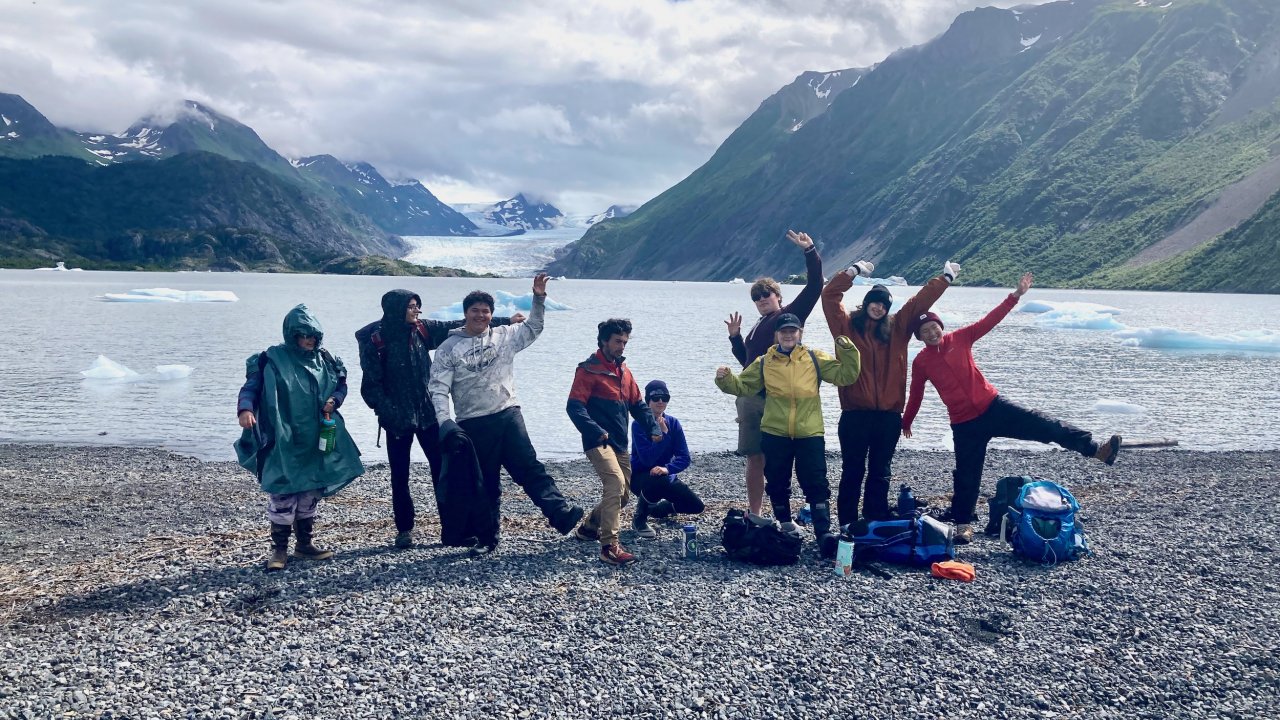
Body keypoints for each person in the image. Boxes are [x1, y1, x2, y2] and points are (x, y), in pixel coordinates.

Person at [901, 272, 1123, 544]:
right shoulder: (921, 362)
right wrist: (907, 420)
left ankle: (1096, 450)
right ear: (919, 337)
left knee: (1044, 424)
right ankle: (962, 524)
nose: (932, 333)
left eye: (934, 327)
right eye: (925, 332)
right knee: (967, 473)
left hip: (993, 408)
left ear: (940, 326)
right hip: (963, 424)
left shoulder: (961, 338)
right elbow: (916, 393)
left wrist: (1015, 295)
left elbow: (990, 320)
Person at [428, 274, 584, 553]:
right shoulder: (447, 349)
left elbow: (534, 327)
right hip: (473, 423)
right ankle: (488, 538)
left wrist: (538, 298)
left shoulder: (505, 337)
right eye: (475, 310)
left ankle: (560, 513)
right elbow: (438, 388)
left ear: (491, 314)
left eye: (485, 311)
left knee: (530, 468)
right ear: (465, 314)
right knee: (485, 482)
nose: (481, 315)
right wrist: (445, 422)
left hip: (508, 414)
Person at [355, 289, 522, 549]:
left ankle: (453, 530)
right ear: (396, 308)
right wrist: (388, 412)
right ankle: (405, 530)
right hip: (396, 420)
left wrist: (505, 321)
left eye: (417, 306)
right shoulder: (375, 339)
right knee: (399, 476)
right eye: (412, 307)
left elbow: (460, 325)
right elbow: (371, 386)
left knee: (445, 471)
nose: (417, 311)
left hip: (428, 414)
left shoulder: (422, 329)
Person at [821, 260, 959, 525]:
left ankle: (874, 519)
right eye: (875, 302)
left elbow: (919, 302)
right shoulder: (846, 327)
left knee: (880, 471)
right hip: (854, 415)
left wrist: (946, 278)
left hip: (888, 416)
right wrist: (853, 272)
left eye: (884, 304)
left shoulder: (897, 328)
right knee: (852, 471)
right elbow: (829, 295)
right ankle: (847, 523)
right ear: (866, 303)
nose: (879, 307)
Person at [715, 313, 861, 557]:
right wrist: (726, 379)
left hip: (809, 432)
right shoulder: (765, 361)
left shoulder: (814, 358)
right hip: (775, 431)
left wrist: (846, 346)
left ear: (800, 332)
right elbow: (744, 386)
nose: (788, 334)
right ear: (777, 334)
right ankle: (785, 524)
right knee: (777, 480)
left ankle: (823, 532)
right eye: (784, 331)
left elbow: (846, 375)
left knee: (816, 481)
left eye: (793, 330)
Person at [235, 304, 364, 572]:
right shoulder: (270, 359)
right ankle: (279, 550)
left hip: (316, 436)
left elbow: (341, 384)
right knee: (282, 492)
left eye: (313, 336)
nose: (309, 341)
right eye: (303, 335)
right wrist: (245, 409)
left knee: (309, 491)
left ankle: (304, 545)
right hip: (282, 437)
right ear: (291, 335)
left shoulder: (325, 359)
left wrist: (334, 400)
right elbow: (251, 388)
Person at [725, 229, 825, 516]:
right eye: (756, 297)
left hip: (777, 398)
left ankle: (790, 510)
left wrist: (809, 251)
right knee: (754, 458)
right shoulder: (758, 325)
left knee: (781, 457)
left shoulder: (787, 318)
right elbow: (747, 362)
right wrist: (735, 338)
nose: (761, 299)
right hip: (750, 397)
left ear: (778, 296)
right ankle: (755, 512)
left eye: (766, 294)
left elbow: (815, 285)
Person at [566, 319, 662, 565]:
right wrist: (596, 430)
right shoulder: (588, 370)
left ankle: (589, 527)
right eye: (618, 341)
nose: (622, 346)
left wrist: (652, 427)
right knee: (615, 484)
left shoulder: (624, 372)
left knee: (624, 496)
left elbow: (638, 405)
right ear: (604, 341)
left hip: (619, 442)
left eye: (625, 342)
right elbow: (574, 407)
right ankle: (609, 546)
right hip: (598, 441)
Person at [630, 380, 705, 539]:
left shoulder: (674, 423)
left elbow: (684, 458)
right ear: (647, 400)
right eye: (655, 398)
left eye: (664, 398)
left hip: (665, 476)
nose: (660, 402)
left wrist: (668, 469)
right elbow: (647, 459)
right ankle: (640, 518)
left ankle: (659, 510)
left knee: (696, 506)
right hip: (640, 476)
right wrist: (663, 435)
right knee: (658, 479)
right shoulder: (639, 424)